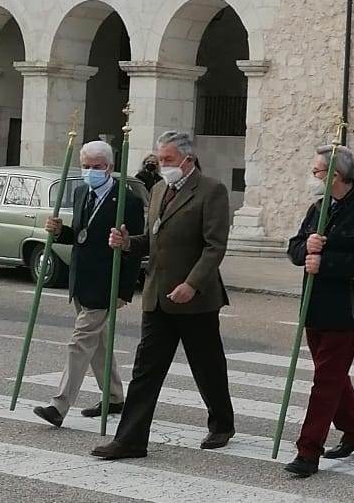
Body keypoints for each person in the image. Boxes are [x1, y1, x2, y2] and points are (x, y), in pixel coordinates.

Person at [92, 129, 235, 462]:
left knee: (207, 365)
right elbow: (154, 239)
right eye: (160, 160)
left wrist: (193, 283)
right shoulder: (158, 190)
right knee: (146, 370)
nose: (163, 166)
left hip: (195, 298)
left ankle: (222, 423)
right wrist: (129, 243)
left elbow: (215, 246)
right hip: (157, 295)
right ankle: (130, 440)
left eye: (168, 160)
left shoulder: (211, 191)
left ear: (188, 159)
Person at [283, 146, 354, 480]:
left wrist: (326, 261)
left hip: (346, 311)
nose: (313, 177)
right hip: (313, 307)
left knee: (325, 380)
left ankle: (308, 450)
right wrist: (306, 250)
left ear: (337, 176)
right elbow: (295, 246)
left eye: (317, 171)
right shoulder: (318, 208)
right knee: (333, 374)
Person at [33, 140, 144, 427]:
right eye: (85, 166)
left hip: (105, 284)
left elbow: (133, 250)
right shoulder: (82, 190)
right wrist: (60, 232)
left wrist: (123, 291)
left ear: (109, 167)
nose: (90, 172)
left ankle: (59, 406)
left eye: (96, 167)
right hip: (80, 279)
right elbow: (82, 235)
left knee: (80, 342)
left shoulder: (127, 201)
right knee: (99, 345)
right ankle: (115, 397)